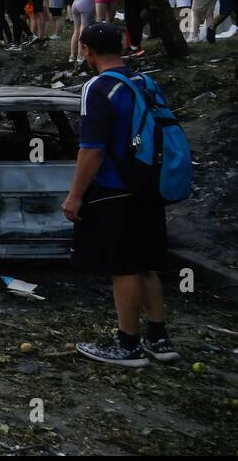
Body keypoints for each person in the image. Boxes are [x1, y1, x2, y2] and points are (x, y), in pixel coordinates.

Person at [62, 23, 179, 367]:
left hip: (115, 188)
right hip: (150, 184)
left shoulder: (97, 87)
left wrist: (75, 195)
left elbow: (92, 150)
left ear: (87, 50)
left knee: (123, 267)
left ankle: (127, 344)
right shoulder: (144, 82)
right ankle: (159, 337)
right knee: (146, 264)